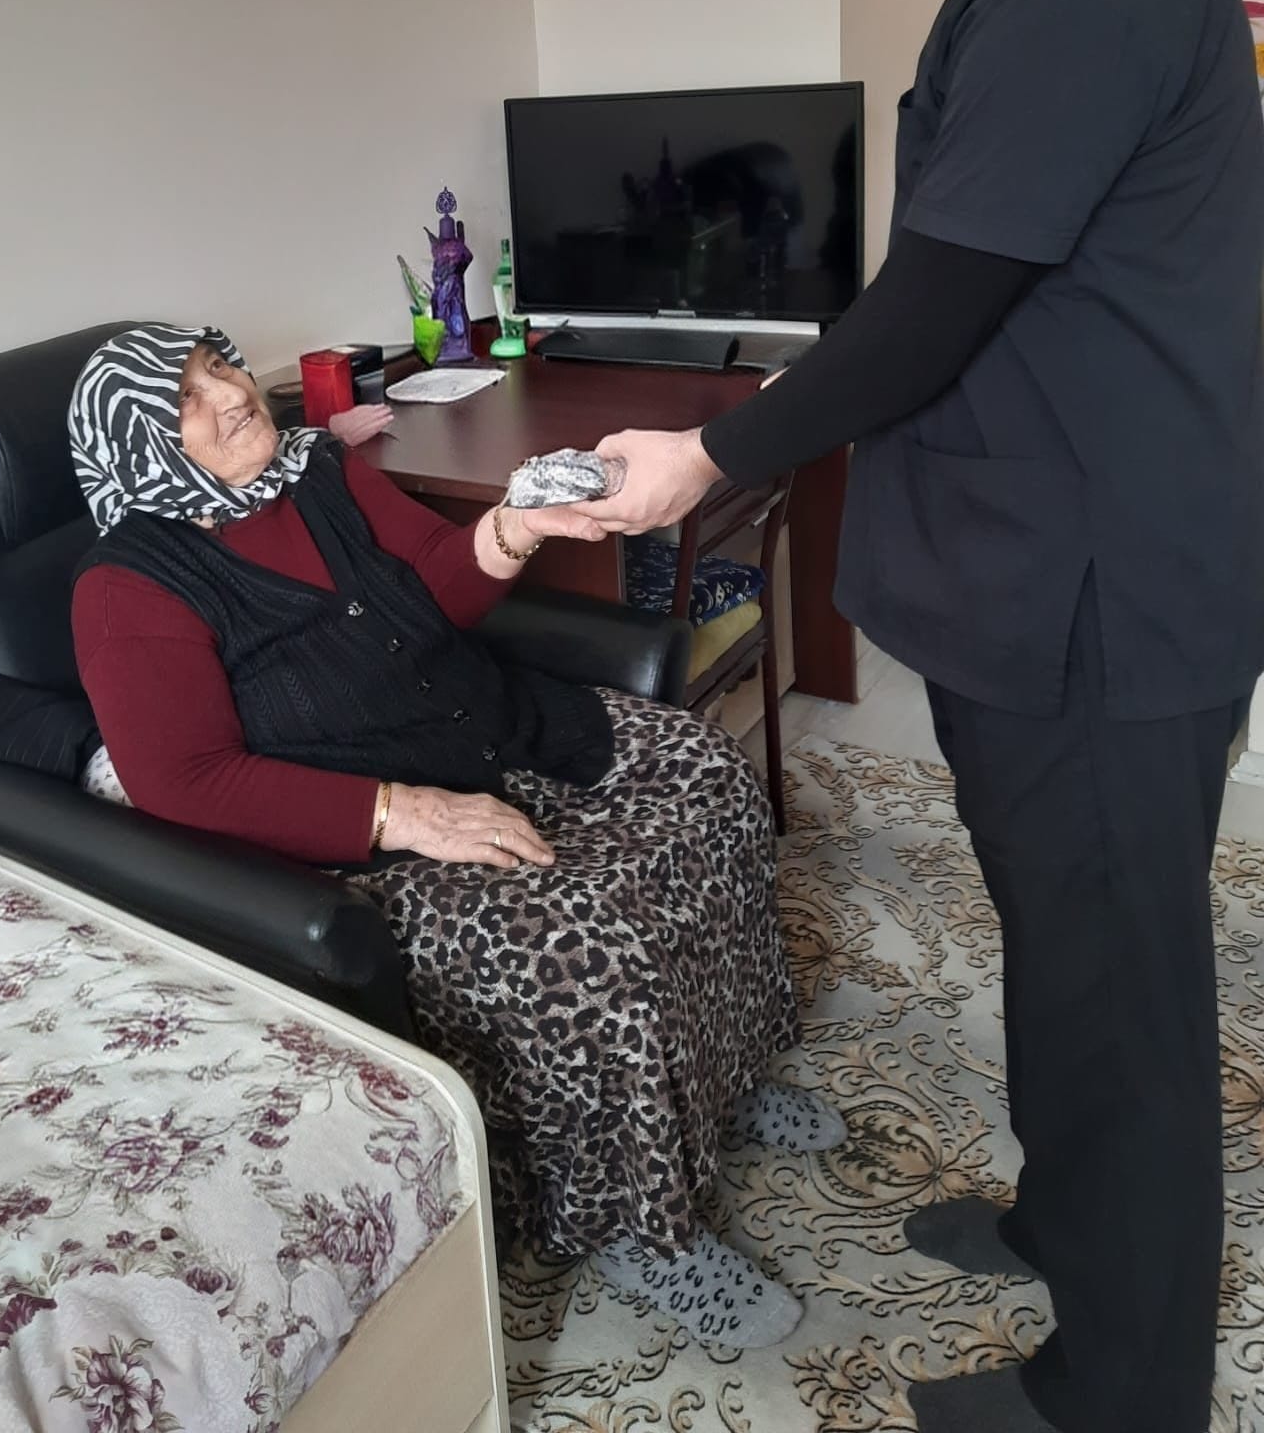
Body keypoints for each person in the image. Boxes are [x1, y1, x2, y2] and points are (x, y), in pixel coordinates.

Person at [577, 0, 1264, 1433]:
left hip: (1105, 607)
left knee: (1123, 1008)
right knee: (1061, 949)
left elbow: (940, 297)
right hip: (1041, 587)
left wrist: (715, 453)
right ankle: (1067, 1224)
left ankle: (1118, 1396)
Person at [66, 322, 845, 1348]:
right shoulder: (126, 588)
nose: (231, 394)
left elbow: (436, 575)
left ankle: (722, 1079)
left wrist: (517, 526)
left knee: (711, 782)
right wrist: (404, 811)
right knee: (585, 947)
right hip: (370, 826)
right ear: (137, 443)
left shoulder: (318, 469)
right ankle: (638, 1229)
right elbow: (184, 779)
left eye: (220, 368)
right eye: (185, 399)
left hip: (492, 722)